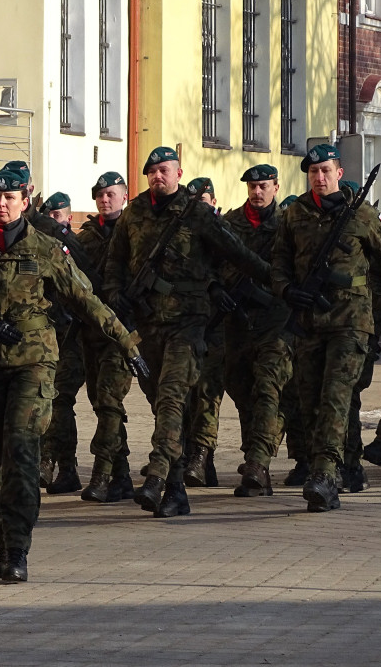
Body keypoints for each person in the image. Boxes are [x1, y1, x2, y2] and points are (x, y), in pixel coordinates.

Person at [0, 169, 147, 583]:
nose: (1, 204)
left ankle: (18, 548)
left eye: (10, 197)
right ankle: (2, 542)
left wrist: (127, 343)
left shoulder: (46, 247)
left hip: (33, 364)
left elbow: (86, 299)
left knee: (21, 449)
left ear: (25, 199)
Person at [104, 146, 269, 518]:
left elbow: (237, 253)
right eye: (151, 172)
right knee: (160, 405)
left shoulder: (196, 213)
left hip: (188, 325)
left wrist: (279, 286)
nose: (157, 177)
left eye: (164, 170)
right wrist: (117, 296)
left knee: (171, 399)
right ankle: (176, 490)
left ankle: (157, 475)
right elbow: (114, 262)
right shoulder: (134, 213)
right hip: (146, 327)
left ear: (179, 173)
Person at [271, 143, 381, 512]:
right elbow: (278, 262)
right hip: (310, 324)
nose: (320, 177)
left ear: (338, 173)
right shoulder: (295, 214)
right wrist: (287, 290)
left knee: (336, 398)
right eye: (313, 172)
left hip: (352, 323)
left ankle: (325, 475)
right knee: (309, 401)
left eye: (326, 170)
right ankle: (331, 466)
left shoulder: (360, 214)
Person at [213, 165, 293, 498]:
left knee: (268, 390)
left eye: (263, 186)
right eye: (251, 186)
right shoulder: (229, 224)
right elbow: (212, 263)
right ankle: (255, 459)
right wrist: (217, 287)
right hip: (237, 322)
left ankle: (259, 462)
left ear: (276, 186)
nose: (257, 192)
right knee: (242, 389)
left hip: (276, 322)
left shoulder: (288, 225)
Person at [76, 171, 139, 501]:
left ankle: (101, 475)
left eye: (111, 194)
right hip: (92, 331)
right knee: (101, 403)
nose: (105, 200)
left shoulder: (137, 231)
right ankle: (123, 475)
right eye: (100, 195)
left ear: (124, 196)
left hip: (125, 331)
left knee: (110, 401)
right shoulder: (85, 238)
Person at [36, 190, 89, 496]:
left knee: (60, 400)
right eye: (49, 217)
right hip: (47, 335)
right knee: (44, 401)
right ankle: (46, 463)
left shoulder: (73, 247)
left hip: (71, 338)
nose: (53, 222)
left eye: (58, 217)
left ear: (69, 217)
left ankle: (66, 467)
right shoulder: (41, 246)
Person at [182, 176, 226, 488]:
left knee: (208, 393)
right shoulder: (184, 235)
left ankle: (200, 453)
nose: (200, 207)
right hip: (189, 323)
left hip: (218, 326)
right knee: (184, 394)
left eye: (204, 201)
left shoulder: (224, 232)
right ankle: (190, 456)